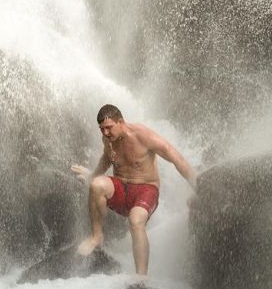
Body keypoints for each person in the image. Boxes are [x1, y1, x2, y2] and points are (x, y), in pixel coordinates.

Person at [71, 104, 197, 275]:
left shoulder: (143, 135)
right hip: (121, 190)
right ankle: (96, 237)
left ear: (121, 122)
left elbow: (177, 158)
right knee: (96, 185)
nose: (106, 133)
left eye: (109, 128)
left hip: (146, 190)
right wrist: (92, 175)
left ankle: (141, 278)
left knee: (136, 221)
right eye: (102, 129)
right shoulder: (108, 139)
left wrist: (198, 187)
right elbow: (106, 159)